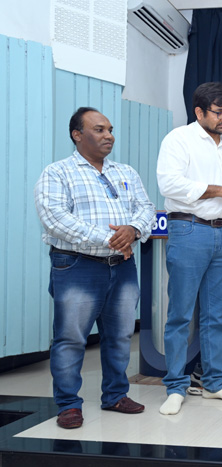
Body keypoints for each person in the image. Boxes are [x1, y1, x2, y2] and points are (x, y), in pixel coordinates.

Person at [34, 107, 155, 429]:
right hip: (77, 266)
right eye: (99, 129)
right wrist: (111, 238)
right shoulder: (57, 173)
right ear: (77, 135)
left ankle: (115, 395)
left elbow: (145, 207)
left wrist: (134, 229)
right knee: (71, 338)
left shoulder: (126, 172)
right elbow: (56, 219)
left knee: (120, 335)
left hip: (123, 266)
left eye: (110, 129)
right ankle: (68, 405)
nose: (109, 136)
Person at [156, 82, 222, 415]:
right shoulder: (178, 140)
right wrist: (221, 190)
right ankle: (175, 386)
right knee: (181, 314)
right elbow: (170, 184)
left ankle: (214, 383)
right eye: (219, 112)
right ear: (199, 111)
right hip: (189, 230)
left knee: (217, 316)